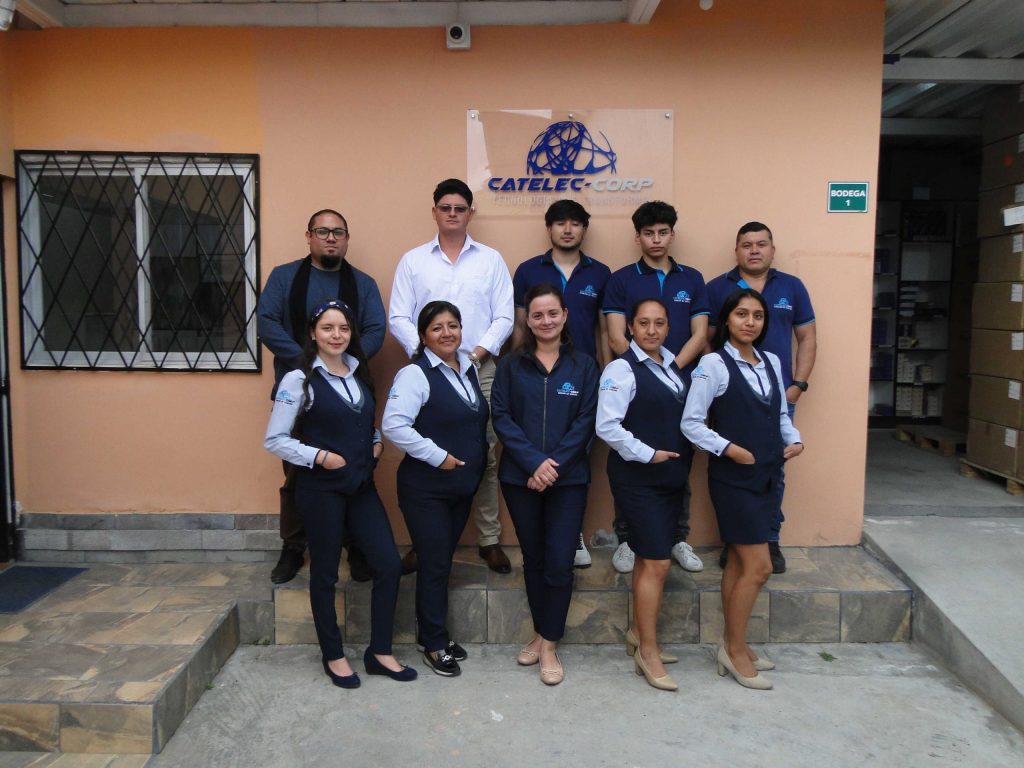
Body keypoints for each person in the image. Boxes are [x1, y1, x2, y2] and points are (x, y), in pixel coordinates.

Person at [263, 300, 414, 689]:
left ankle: (380, 652)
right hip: (321, 492)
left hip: (361, 488)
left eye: (343, 328)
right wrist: (320, 457)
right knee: (326, 574)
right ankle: (333, 654)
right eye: (328, 328)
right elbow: (275, 439)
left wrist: (376, 441)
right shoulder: (299, 379)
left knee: (388, 565)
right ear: (313, 333)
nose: (336, 335)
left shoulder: (358, 373)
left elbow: (361, 421)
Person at [389, 179, 514, 575]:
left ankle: (489, 539)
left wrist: (475, 354)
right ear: (435, 212)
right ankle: (424, 542)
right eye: (446, 207)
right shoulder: (413, 261)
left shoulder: (491, 260)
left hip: (480, 368)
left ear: (470, 213)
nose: (453, 214)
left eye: (460, 208)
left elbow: (505, 317)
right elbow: (398, 316)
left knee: (485, 454)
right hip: (427, 372)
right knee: (425, 450)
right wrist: (430, 353)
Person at [682, 288, 803, 690]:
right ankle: (733, 651)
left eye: (757, 316)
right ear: (727, 320)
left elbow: (780, 414)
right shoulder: (712, 364)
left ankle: (734, 643)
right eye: (741, 314)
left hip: (768, 475)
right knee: (760, 567)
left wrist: (794, 439)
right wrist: (730, 449)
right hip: (733, 479)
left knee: (738, 563)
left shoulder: (771, 361)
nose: (750, 322)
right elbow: (691, 423)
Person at [258, 209, 387, 585]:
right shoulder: (285, 277)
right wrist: (310, 361)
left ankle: (355, 546)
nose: (331, 238)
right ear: (309, 236)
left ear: (346, 239)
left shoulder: (362, 283)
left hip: (350, 391)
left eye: (338, 232)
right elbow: (267, 323)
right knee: (297, 473)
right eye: (323, 231)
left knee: (355, 470)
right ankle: (293, 546)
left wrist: (345, 359)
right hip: (301, 391)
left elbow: (375, 329)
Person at [492, 284, 599, 685]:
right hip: (520, 478)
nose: (546, 321)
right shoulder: (510, 366)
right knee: (534, 559)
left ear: (565, 315)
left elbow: (586, 420)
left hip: (568, 480)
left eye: (553, 313)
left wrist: (552, 466)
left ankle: (549, 644)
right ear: (529, 320)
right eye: (537, 315)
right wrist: (533, 462)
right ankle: (541, 632)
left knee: (559, 561)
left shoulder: (584, 366)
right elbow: (501, 417)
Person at [382, 301, 489, 677]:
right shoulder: (415, 374)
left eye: (453, 325)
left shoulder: (468, 367)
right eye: (437, 327)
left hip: (460, 489)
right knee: (434, 563)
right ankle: (433, 642)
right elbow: (394, 425)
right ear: (423, 336)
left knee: (441, 562)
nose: (447, 333)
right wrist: (438, 455)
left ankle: (434, 631)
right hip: (426, 490)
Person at [602, 201, 707, 576]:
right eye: (649, 233)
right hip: (636, 382)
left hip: (681, 385)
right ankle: (627, 538)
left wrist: (669, 371)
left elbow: (700, 335)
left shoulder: (692, 278)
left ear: (672, 235)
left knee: (679, 458)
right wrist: (646, 372)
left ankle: (677, 536)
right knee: (629, 456)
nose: (656, 239)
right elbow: (616, 335)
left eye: (663, 232)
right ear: (638, 237)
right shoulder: (621, 279)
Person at [705, 222, 816, 573]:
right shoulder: (716, 288)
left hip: (776, 397)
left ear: (772, 249)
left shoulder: (792, 287)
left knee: (773, 470)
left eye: (761, 244)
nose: (754, 250)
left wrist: (797, 385)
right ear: (736, 250)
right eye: (747, 244)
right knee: (731, 465)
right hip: (731, 395)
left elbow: (807, 337)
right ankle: (734, 540)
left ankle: (769, 538)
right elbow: (707, 338)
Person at [596, 299, 692, 692]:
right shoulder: (621, 369)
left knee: (647, 560)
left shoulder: (672, 366)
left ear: (668, 328)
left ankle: (638, 633)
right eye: (644, 323)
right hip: (638, 479)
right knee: (657, 563)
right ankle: (648, 652)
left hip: (671, 479)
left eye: (660, 323)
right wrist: (648, 453)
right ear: (631, 328)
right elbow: (607, 426)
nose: (652, 330)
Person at [511, 199, 610, 568]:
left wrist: (606, 374)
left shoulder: (600, 273)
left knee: (577, 452)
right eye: (560, 223)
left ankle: (572, 534)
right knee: (537, 446)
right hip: (537, 375)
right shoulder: (527, 270)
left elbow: (604, 331)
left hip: (582, 378)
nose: (567, 230)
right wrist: (517, 370)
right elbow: (520, 326)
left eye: (575, 223)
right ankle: (542, 535)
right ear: (548, 228)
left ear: (584, 229)